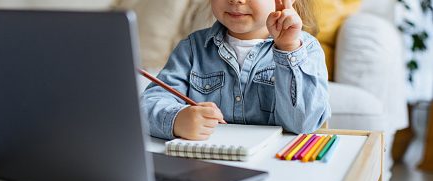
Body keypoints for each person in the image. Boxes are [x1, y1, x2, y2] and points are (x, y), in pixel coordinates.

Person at [141, 0, 331, 140]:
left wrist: (288, 48)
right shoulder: (192, 48)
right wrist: (176, 120)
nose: (236, 0)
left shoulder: (304, 49)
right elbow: (147, 105)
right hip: (209, 165)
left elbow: (302, 124)